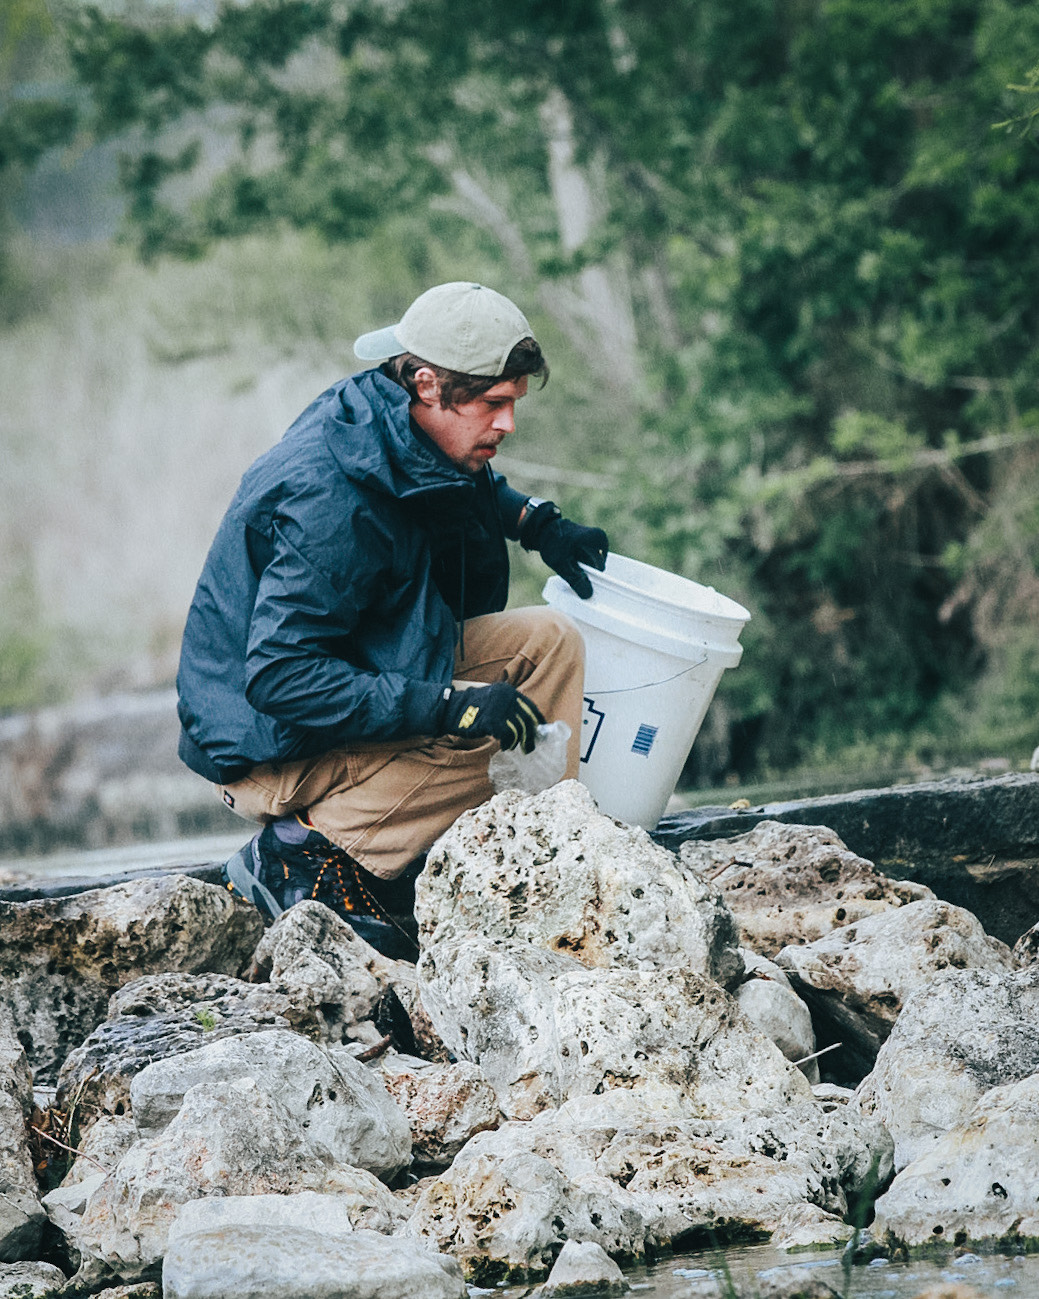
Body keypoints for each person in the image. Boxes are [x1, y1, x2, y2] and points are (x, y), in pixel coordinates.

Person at [176, 281, 609, 958]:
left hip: (344, 680)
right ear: (428, 383)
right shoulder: (331, 502)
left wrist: (532, 521)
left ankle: (528, 866)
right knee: (485, 737)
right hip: (263, 746)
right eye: (493, 404)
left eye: (514, 403)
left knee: (549, 642)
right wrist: (446, 706)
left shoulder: (393, 420)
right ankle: (301, 853)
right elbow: (280, 676)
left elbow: (448, 478)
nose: (507, 424)